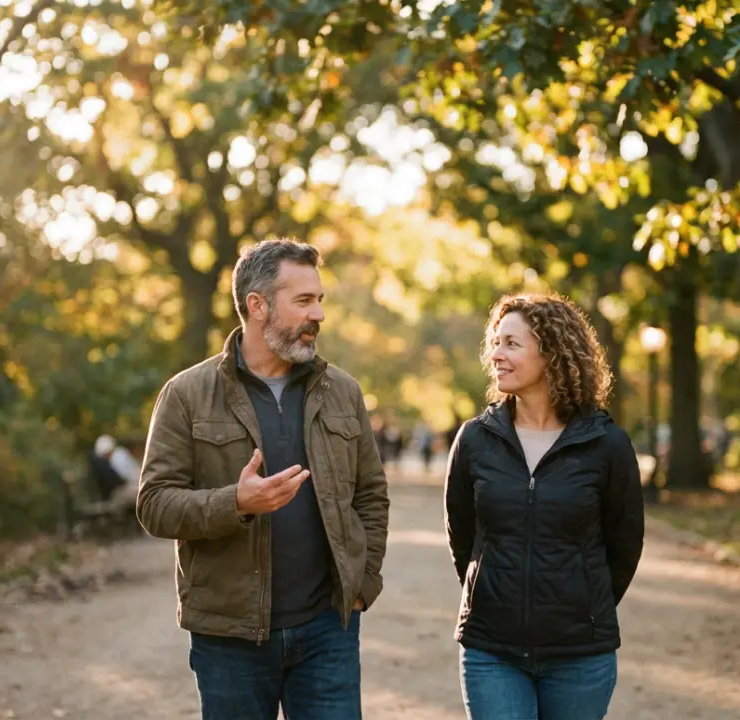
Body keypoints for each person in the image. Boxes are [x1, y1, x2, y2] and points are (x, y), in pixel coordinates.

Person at [135, 237, 390, 720]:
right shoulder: (187, 394)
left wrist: (362, 582)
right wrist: (236, 502)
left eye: (319, 300)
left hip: (327, 630)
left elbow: (372, 496)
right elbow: (153, 503)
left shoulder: (343, 391)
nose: (318, 314)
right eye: (303, 301)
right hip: (230, 638)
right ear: (257, 306)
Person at [444, 293, 645, 720]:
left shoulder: (606, 444)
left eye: (511, 344)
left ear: (551, 353)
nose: (495, 355)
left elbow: (624, 544)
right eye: (495, 342)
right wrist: (494, 597)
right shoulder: (474, 439)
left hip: (580, 655)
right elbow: (463, 537)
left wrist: (584, 606)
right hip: (491, 651)